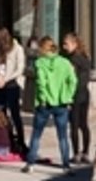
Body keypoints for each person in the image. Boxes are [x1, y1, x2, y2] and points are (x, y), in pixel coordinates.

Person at [23, 33, 77, 173]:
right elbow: (73, 81)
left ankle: (30, 163)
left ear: (42, 49)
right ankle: (65, 165)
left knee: (36, 134)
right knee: (63, 136)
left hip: (44, 103)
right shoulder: (65, 63)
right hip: (62, 103)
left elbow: (41, 83)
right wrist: (68, 96)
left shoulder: (40, 63)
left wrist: (43, 98)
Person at [62, 32, 95, 164]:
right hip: (84, 94)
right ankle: (86, 152)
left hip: (75, 95)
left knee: (74, 125)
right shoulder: (85, 57)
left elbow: (71, 80)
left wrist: (68, 96)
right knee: (84, 124)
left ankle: (76, 153)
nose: (64, 47)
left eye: (66, 44)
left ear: (74, 44)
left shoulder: (72, 60)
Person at [0, 25, 27, 140]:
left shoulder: (17, 49)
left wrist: (5, 79)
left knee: (15, 113)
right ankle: (5, 138)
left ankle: (20, 140)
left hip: (12, 83)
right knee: (0, 113)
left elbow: (20, 68)